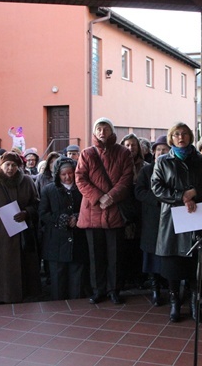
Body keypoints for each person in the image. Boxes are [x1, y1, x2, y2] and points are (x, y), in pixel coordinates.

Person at [151, 122, 202, 322]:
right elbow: (157, 188)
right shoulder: (162, 161)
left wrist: (194, 193)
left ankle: (195, 305)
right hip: (172, 218)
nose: (181, 137)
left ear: (190, 136)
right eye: (176, 134)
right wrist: (181, 196)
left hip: (196, 214)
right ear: (171, 138)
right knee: (173, 264)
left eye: (184, 133)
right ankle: (175, 304)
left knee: (196, 262)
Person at [76, 117, 133, 305]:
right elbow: (80, 179)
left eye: (106, 128)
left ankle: (114, 290)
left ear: (111, 131)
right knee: (95, 255)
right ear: (94, 132)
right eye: (99, 128)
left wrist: (112, 196)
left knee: (115, 255)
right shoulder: (87, 153)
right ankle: (98, 289)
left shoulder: (123, 152)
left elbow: (127, 178)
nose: (102, 132)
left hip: (115, 210)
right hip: (93, 211)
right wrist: (99, 197)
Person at [0, 151, 41, 303]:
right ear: (1, 166)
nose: (10, 168)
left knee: (25, 267)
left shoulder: (27, 181)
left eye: (14, 165)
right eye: (7, 165)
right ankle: (3, 298)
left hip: (23, 234)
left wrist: (26, 212)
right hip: (1, 236)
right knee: (3, 270)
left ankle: (26, 295)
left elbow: (36, 203)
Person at [38, 157, 88, 300]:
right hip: (56, 242)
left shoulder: (82, 188)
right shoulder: (49, 190)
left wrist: (78, 217)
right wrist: (61, 219)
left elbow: (89, 208)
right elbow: (43, 213)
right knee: (58, 280)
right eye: (63, 174)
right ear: (57, 175)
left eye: (70, 173)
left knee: (77, 279)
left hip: (78, 241)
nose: (67, 177)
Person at [134, 135, 169, 306]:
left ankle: (170, 288)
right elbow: (139, 191)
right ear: (154, 152)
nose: (162, 152)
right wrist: (158, 200)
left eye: (165, 149)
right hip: (151, 218)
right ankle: (155, 289)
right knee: (152, 255)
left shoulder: (173, 168)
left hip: (170, 220)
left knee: (168, 254)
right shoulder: (146, 170)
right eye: (159, 149)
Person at [119, 133, 146, 288]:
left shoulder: (145, 167)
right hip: (123, 211)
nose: (130, 148)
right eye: (127, 145)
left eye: (133, 145)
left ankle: (139, 277)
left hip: (141, 212)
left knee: (138, 246)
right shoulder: (118, 166)